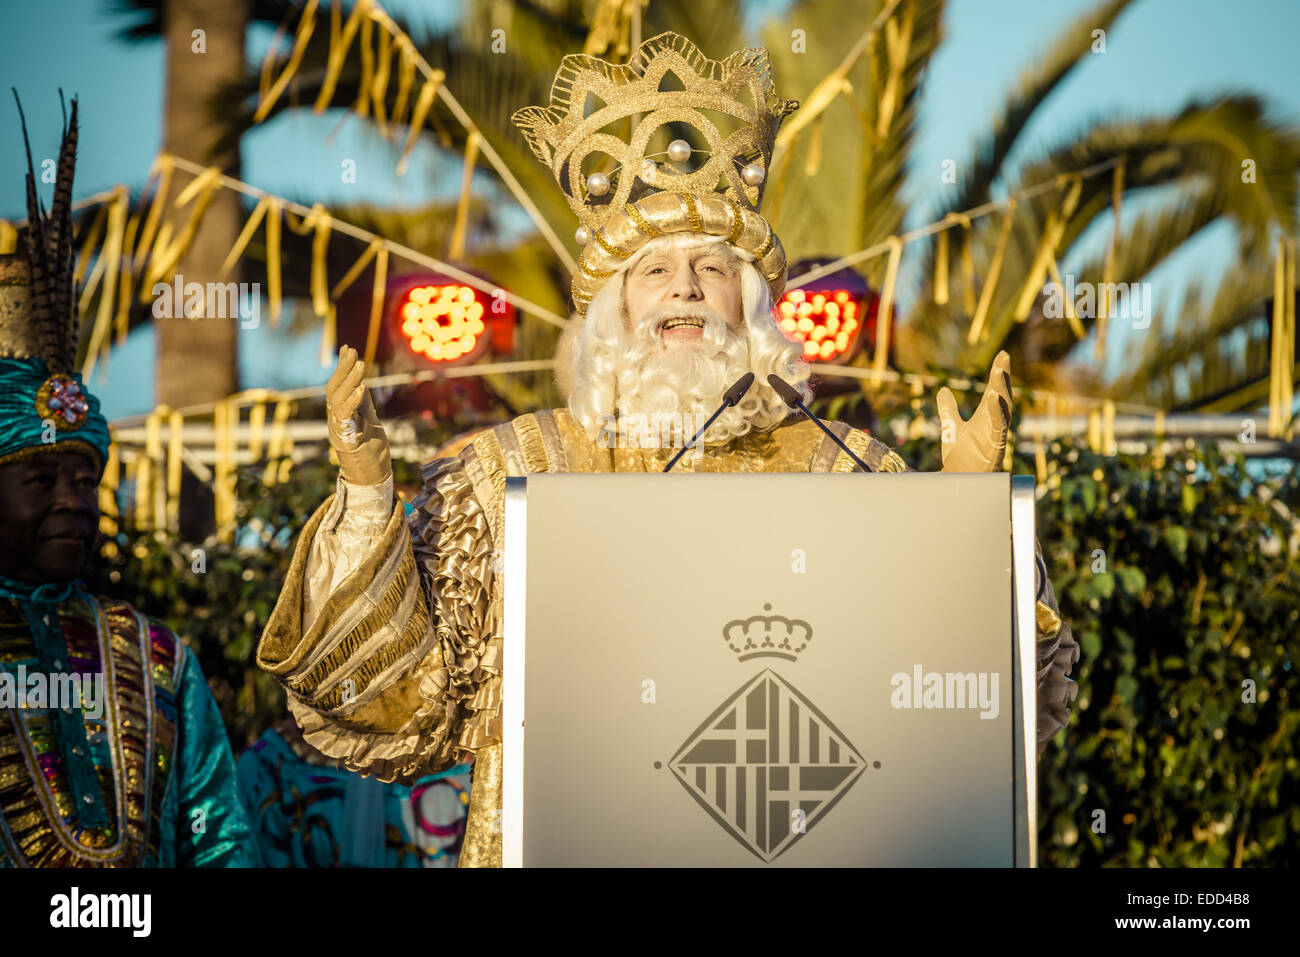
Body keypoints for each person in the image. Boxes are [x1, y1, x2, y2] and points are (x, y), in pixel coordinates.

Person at [257, 32, 1079, 868]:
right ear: (613, 311)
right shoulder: (510, 473)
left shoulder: (854, 472)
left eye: (712, 267)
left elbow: (974, 725)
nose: (684, 287)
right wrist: (365, 505)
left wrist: (977, 526)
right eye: (654, 271)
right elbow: (392, 713)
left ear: (750, 307)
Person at [0, 96, 256, 867]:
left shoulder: (156, 657)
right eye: (41, 477)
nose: (74, 497)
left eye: (85, 475)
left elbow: (221, 841)